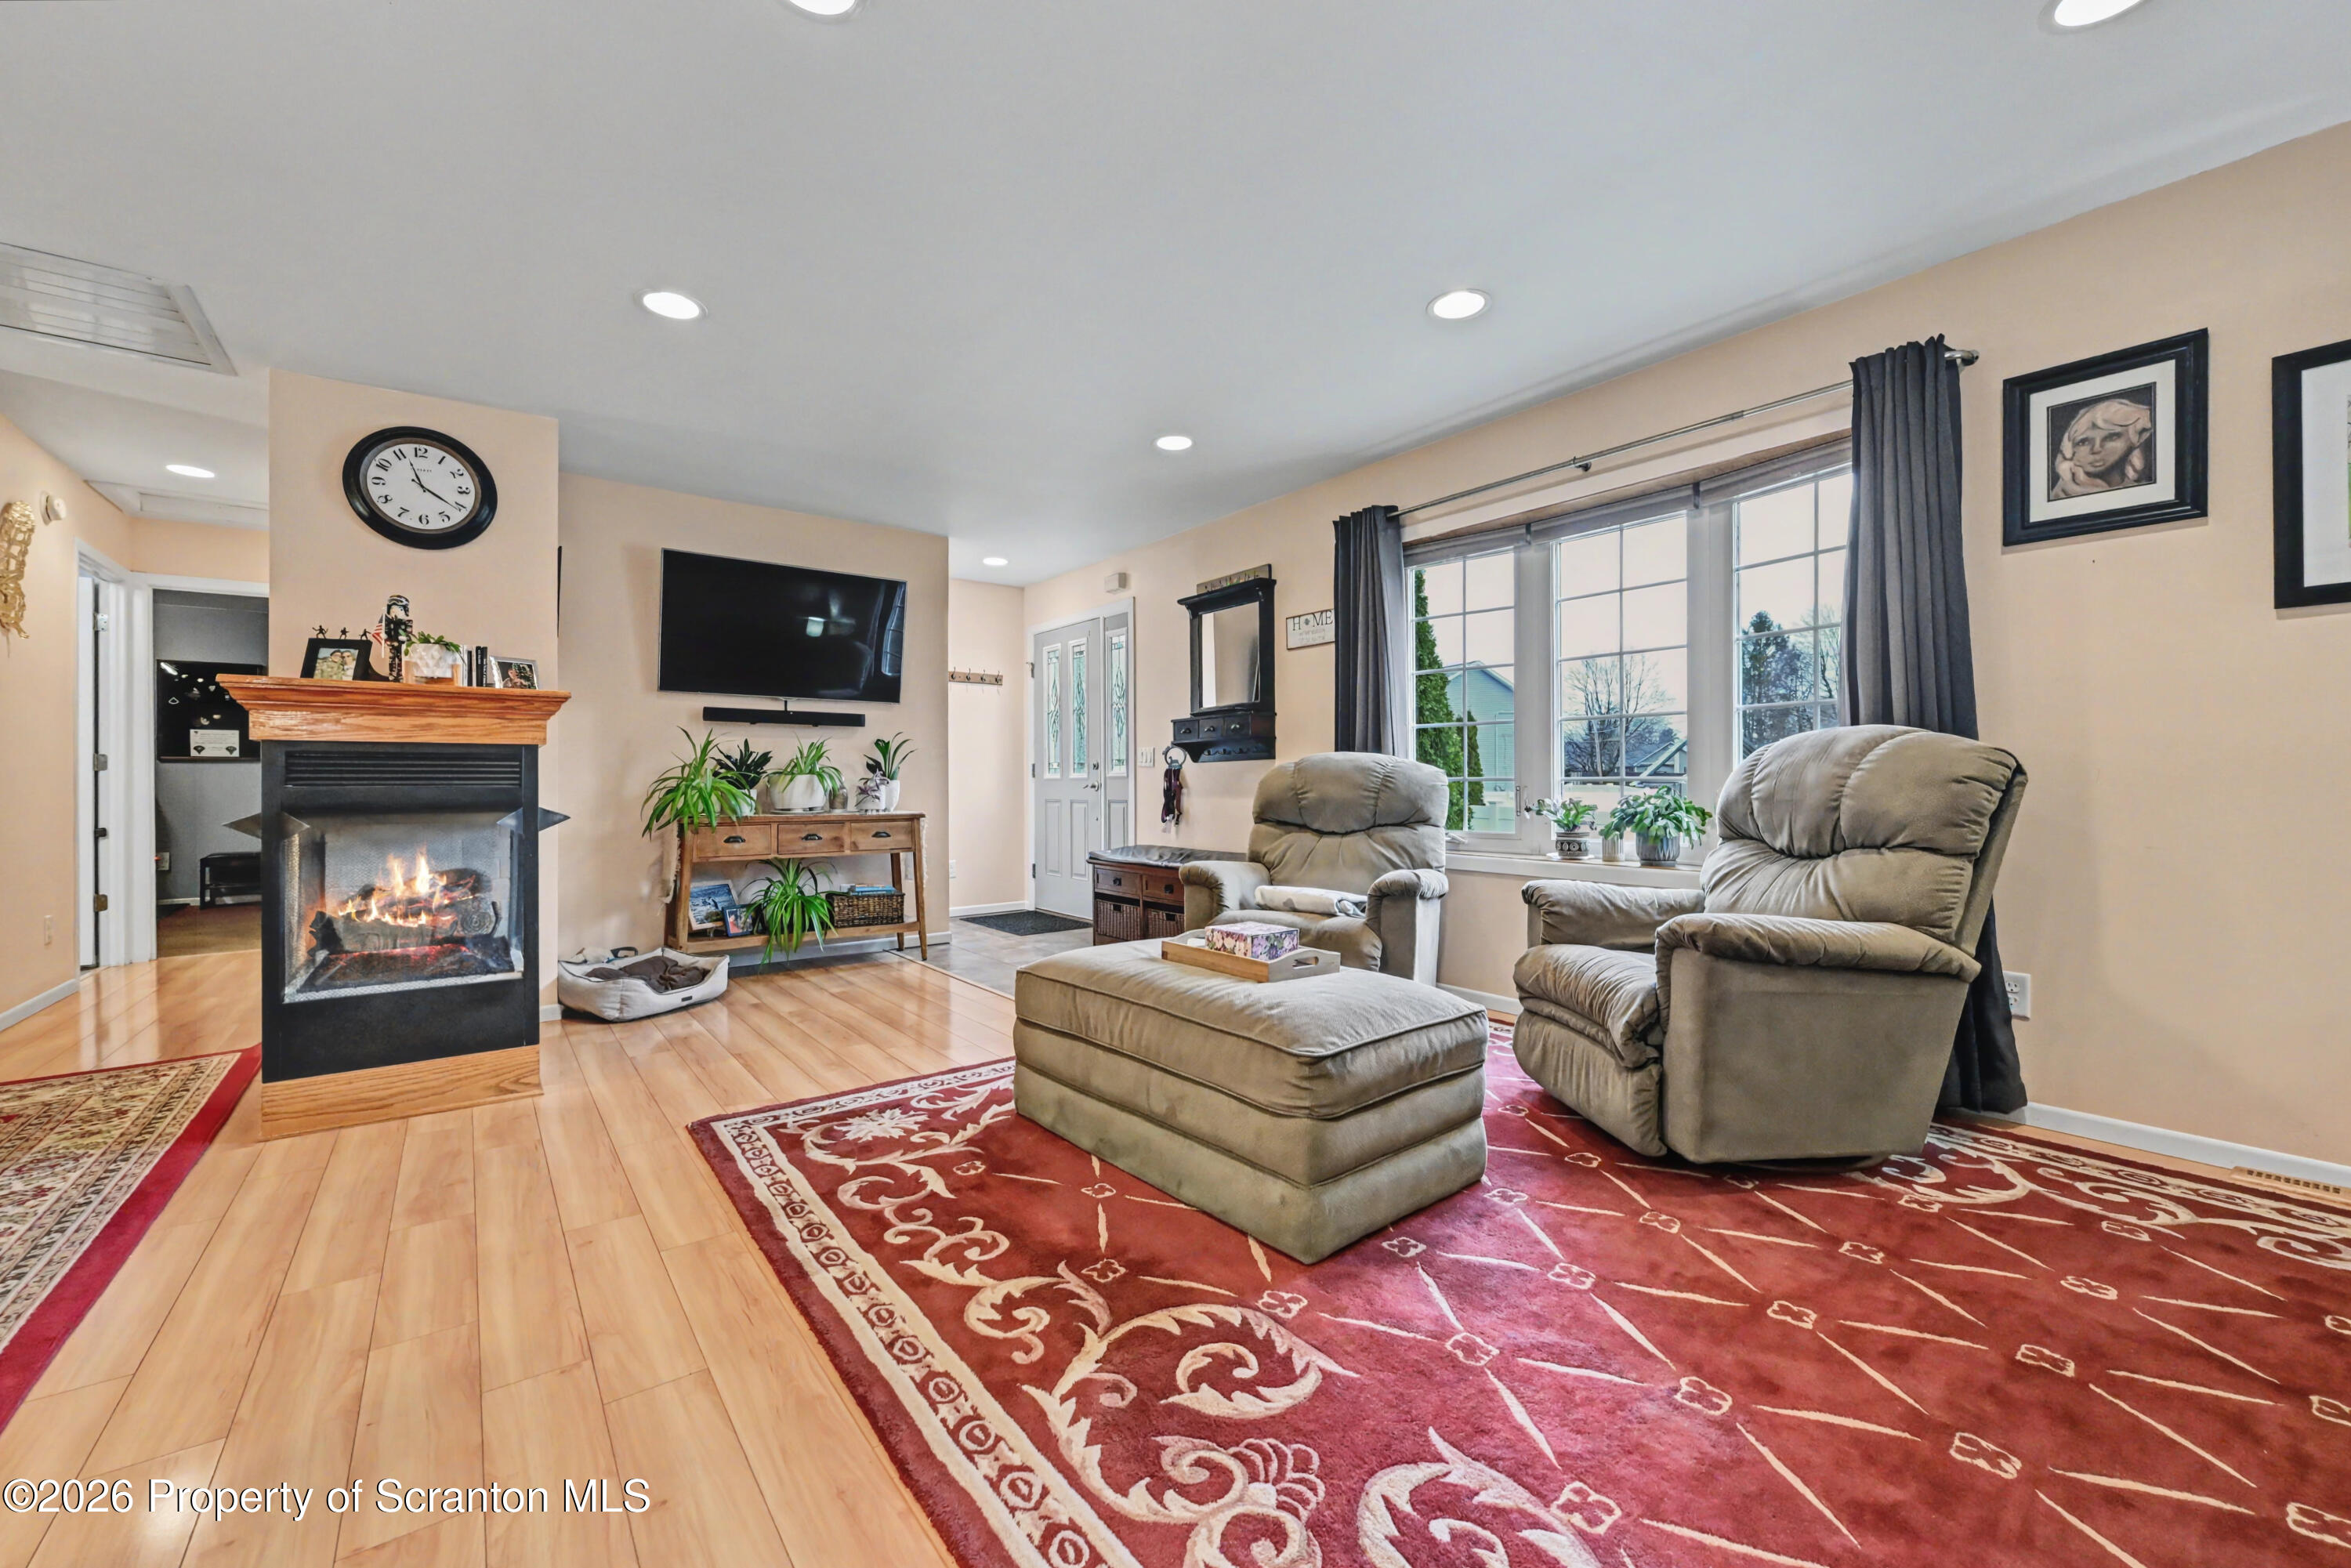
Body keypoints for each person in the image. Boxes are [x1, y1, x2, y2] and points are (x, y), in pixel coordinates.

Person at [2051, 395, 2154, 498]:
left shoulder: (2146, 492)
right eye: (2083, 442)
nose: (2096, 449)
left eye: (2111, 437)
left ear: (2138, 437)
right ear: (2071, 450)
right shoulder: (2061, 496)